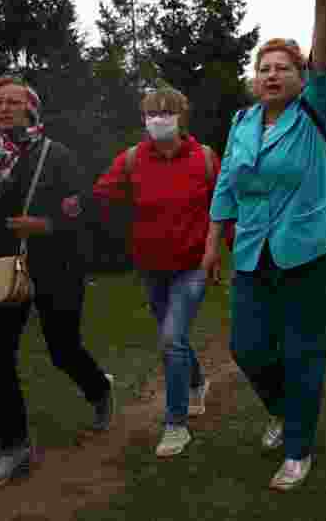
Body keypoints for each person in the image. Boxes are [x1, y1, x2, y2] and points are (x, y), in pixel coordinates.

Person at [203, 0, 326, 491]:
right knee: (247, 346)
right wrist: (211, 245)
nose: (272, 74)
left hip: (314, 248)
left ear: (300, 75)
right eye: (264, 68)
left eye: (283, 67)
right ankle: (283, 411)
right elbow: (226, 187)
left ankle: (298, 449)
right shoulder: (243, 122)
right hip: (253, 250)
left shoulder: (317, 108)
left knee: (302, 349)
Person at [0, 76, 114, 489]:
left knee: (62, 349)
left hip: (56, 266)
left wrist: (45, 224)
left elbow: (84, 210)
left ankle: (98, 390)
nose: (3, 108)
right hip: (2, 269)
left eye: (12, 102)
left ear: (31, 109)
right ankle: (14, 448)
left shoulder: (56, 156)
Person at [90, 86, 223, 458]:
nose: (158, 118)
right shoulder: (132, 159)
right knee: (173, 337)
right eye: (151, 113)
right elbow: (101, 195)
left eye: (166, 112)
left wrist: (223, 254)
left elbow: (224, 206)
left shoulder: (206, 159)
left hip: (192, 265)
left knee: (171, 339)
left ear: (182, 117)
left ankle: (176, 425)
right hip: (150, 266)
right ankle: (196, 382)